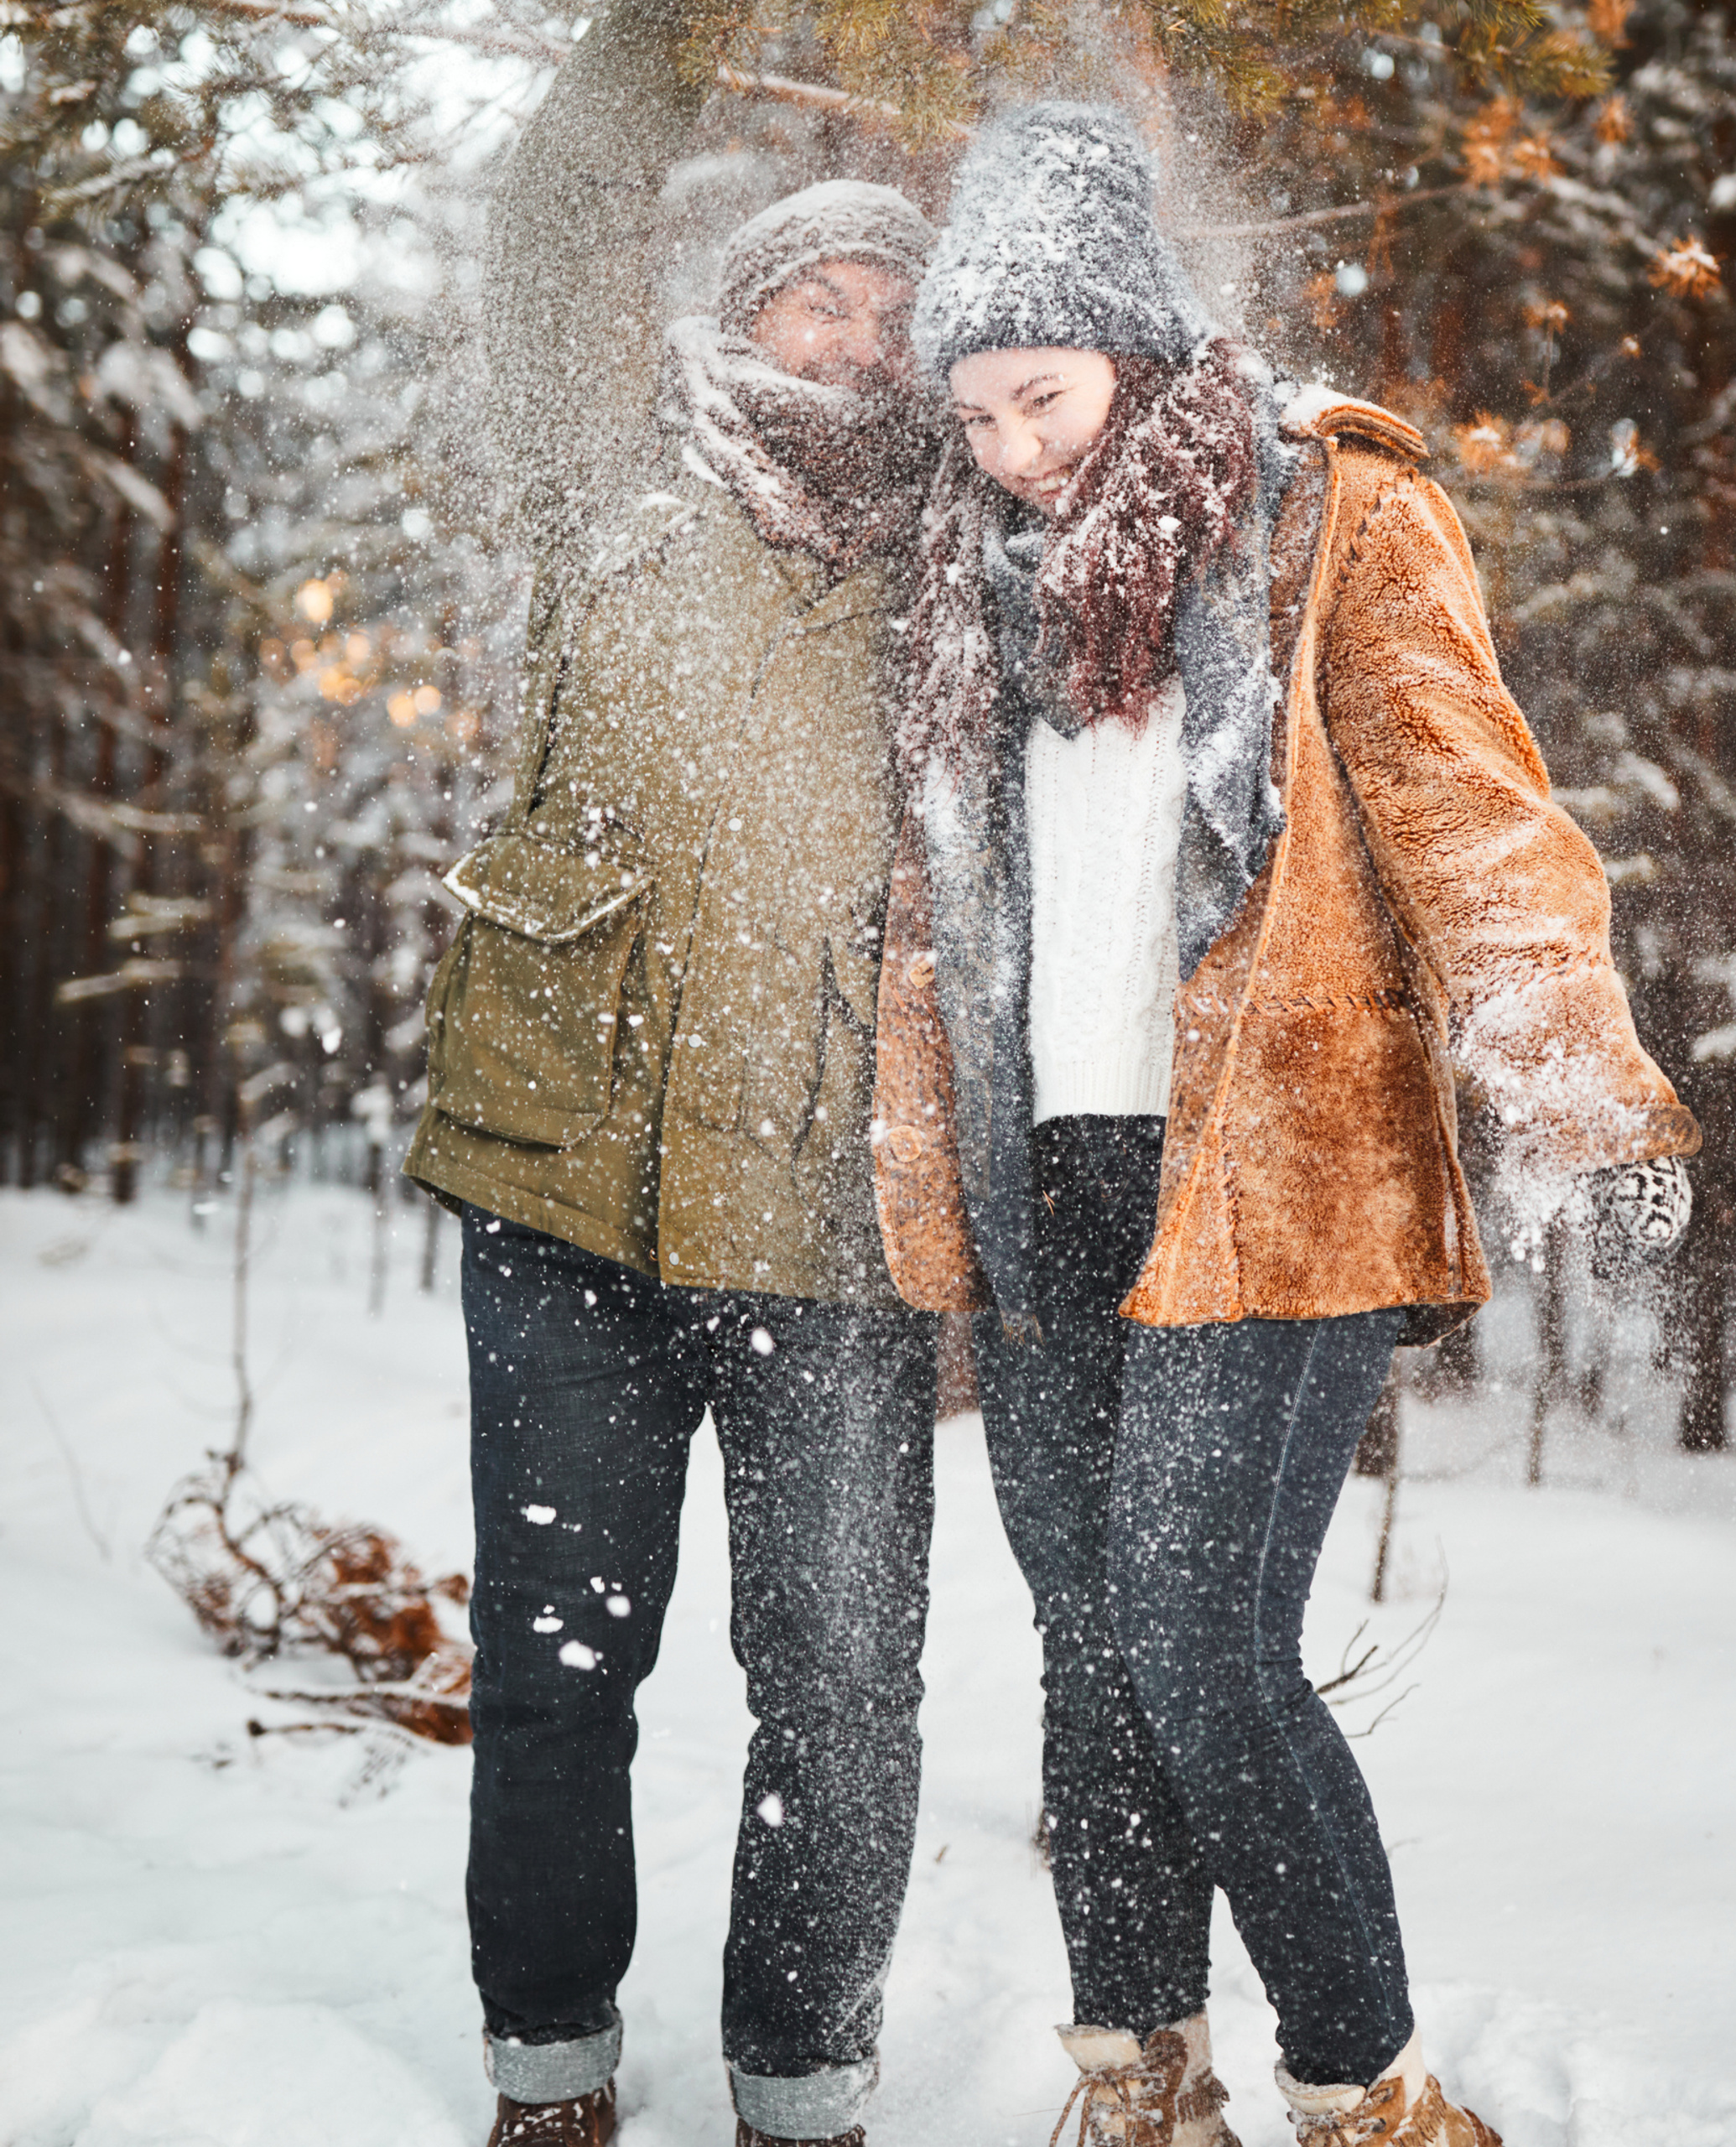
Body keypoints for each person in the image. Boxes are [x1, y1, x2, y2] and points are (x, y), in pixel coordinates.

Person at [872, 105, 1699, 2147]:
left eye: (1040, 397)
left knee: (1196, 1645)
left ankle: (1368, 2093)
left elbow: (1466, 810)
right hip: (1046, 1168)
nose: (1010, 448)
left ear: (1134, 348)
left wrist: (1576, 1082)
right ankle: (1137, 2081)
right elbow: (938, 907)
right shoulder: (963, 575)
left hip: (1284, 1168)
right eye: (972, 413)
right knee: (1093, 1647)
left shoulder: (1327, 511)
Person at [404, 8, 942, 2144]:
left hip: (830, 1212)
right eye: (819, 287)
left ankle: (801, 2085)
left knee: (838, 1686)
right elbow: (549, 233)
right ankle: (552, 2071)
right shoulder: (610, 468)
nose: (858, 332)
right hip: (566, 1189)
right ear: (740, 309)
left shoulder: (971, 555)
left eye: (900, 305)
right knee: (556, 1672)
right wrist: (664, 31)